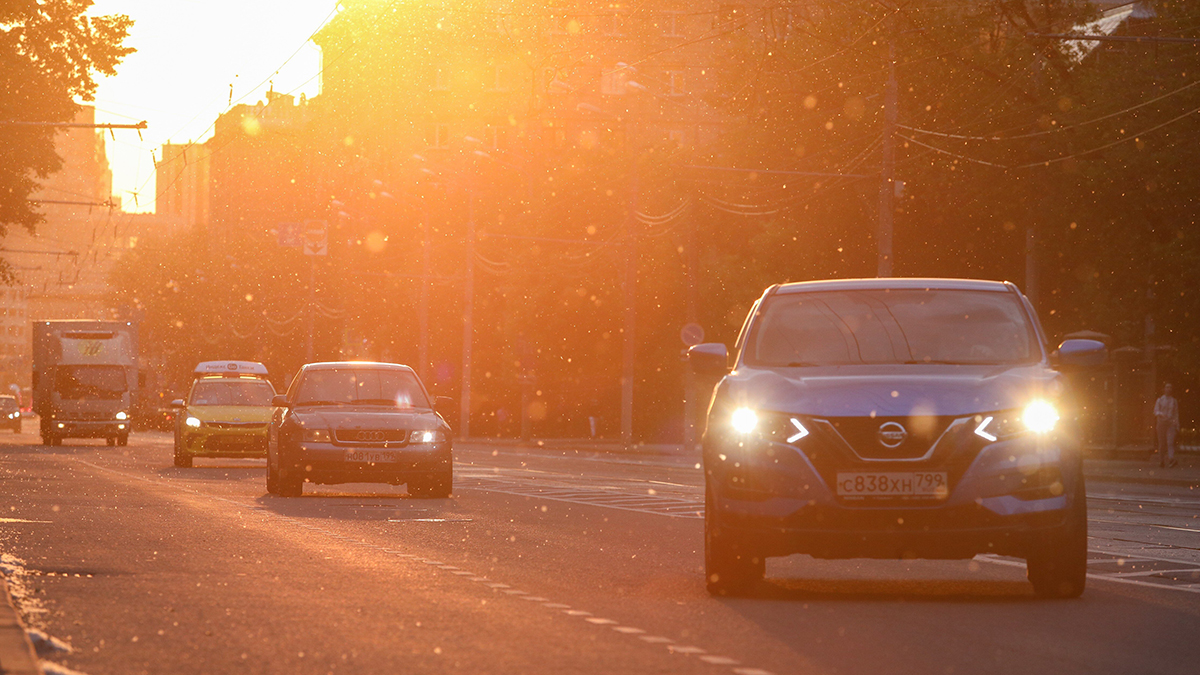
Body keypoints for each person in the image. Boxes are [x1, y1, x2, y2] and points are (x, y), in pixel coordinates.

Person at [1153, 383, 1180, 468]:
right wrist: (1161, 414)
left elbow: (1176, 413)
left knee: (1170, 442)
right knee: (1162, 443)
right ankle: (1161, 461)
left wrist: (1177, 425)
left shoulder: (1174, 401)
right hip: (1161, 423)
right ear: (1164, 389)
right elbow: (1155, 411)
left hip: (1170, 423)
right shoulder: (1160, 400)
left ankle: (1171, 459)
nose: (1169, 389)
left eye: (1170, 387)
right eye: (1167, 387)